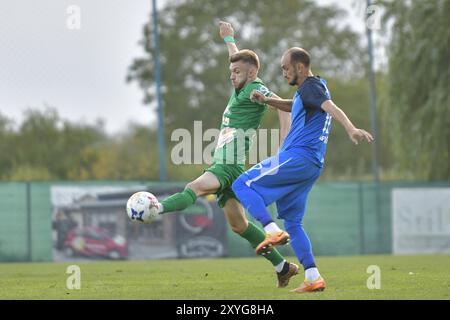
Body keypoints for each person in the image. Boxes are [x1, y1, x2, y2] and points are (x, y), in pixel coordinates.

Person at [153, 22, 299, 288]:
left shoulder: (257, 89)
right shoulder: (241, 86)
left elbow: (286, 107)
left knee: (193, 187)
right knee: (239, 226)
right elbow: (239, 59)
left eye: (236, 72)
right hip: (230, 165)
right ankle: (283, 267)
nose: (231, 75)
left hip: (228, 165)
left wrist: (284, 142)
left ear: (252, 72)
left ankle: (157, 208)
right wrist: (229, 38)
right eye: (231, 71)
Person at [232, 47, 374, 293]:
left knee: (241, 184)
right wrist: (268, 100)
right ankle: (313, 277)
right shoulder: (307, 93)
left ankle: (270, 230)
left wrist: (351, 129)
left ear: (300, 67)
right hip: (310, 165)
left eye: (286, 68)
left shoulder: (311, 86)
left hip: (298, 157)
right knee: (294, 223)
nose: (283, 72)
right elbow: (294, 104)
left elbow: (331, 107)